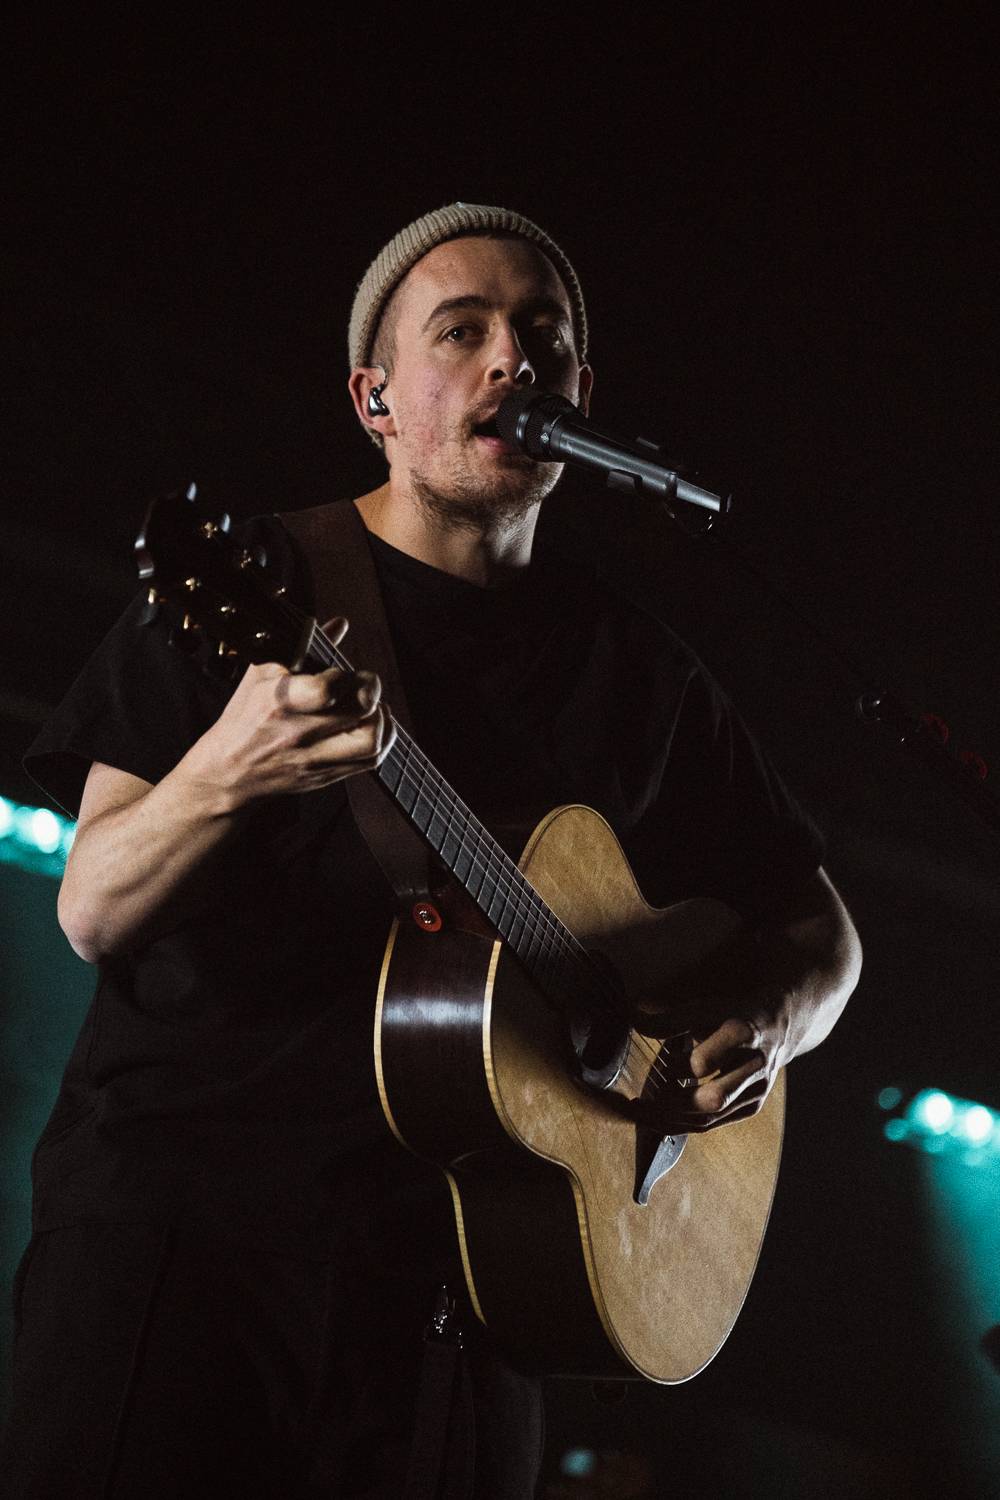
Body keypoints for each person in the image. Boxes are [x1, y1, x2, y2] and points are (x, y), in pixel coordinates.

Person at [3, 202, 862, 1498]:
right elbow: (92, 910)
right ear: (378, 400)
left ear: (581, 394)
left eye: (544, 340)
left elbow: (824, 940)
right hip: (187, 1248)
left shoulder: (640, 675)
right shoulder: (261, 584)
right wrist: (226, 771)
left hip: (476, 1289)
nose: (512, 361)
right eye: (461, 332)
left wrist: (759, 1029)